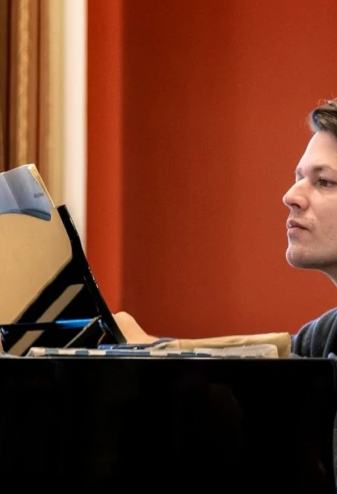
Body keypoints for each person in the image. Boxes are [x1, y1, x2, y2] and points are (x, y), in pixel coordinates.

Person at [114, 99, 337, 358]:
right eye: (299, 178)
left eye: (324, 182)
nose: (290, 196)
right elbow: (276, 359)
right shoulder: (326, 334)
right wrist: (151, 348)